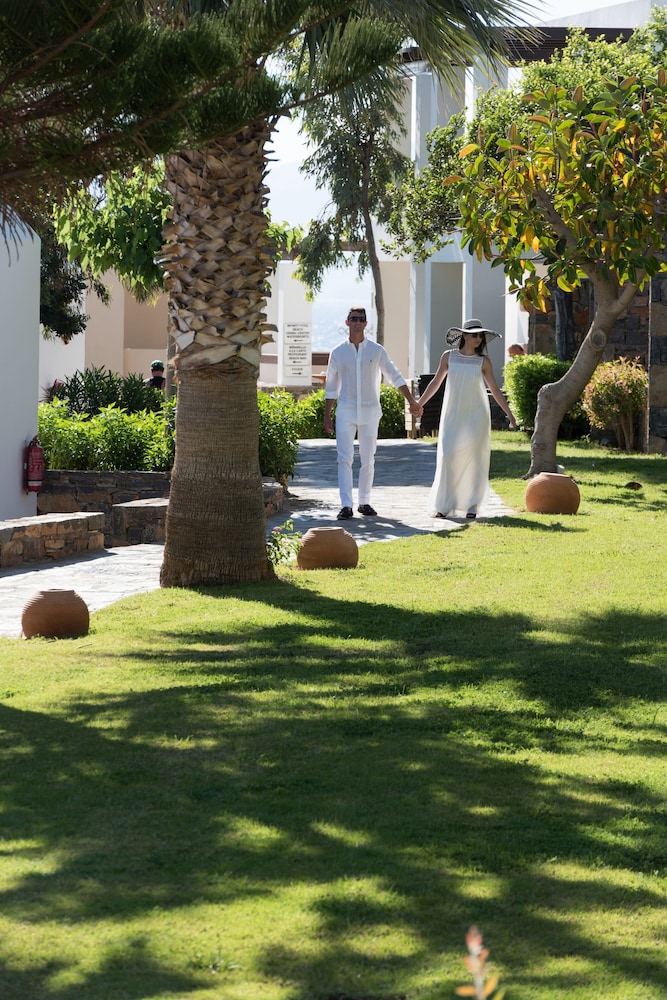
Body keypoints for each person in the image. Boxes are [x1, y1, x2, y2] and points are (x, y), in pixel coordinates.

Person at [324, 307, 421, 520]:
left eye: (361, 319)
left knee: (368, 459)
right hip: (346, 412)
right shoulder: (338, 353)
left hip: (370, 413)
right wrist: (327, 415)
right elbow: (331, 386)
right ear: (347, 322)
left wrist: (411, 401)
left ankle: (364, 502)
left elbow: (395, 376)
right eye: (354, 319)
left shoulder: (377, 351)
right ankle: (346, 505)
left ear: (366, 323)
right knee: (344, 459)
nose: (357, 322)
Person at [416, 318, 516, 520]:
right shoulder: (448, 357)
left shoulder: (483, 361)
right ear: (464, 335)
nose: (478, 339)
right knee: (449, 455)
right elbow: (436, 382)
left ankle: (472, 505)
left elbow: (494, 389)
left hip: (476, 415)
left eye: (480, 335)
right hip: (453, 413)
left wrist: (509, 413)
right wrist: (420, 403)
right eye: (474, 335)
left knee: (475, 458)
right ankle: (444, 505)